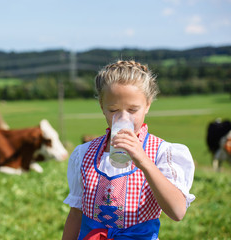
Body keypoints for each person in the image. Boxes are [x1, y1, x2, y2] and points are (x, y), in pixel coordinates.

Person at [62, 60, 195, 240]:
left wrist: (145, 162)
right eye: (113, 109)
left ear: (147, 104)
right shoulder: (84, 153)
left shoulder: (162, 153)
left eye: (133, 110)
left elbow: (177, 212)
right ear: (102, 106)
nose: (123, 118)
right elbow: (76, 214)